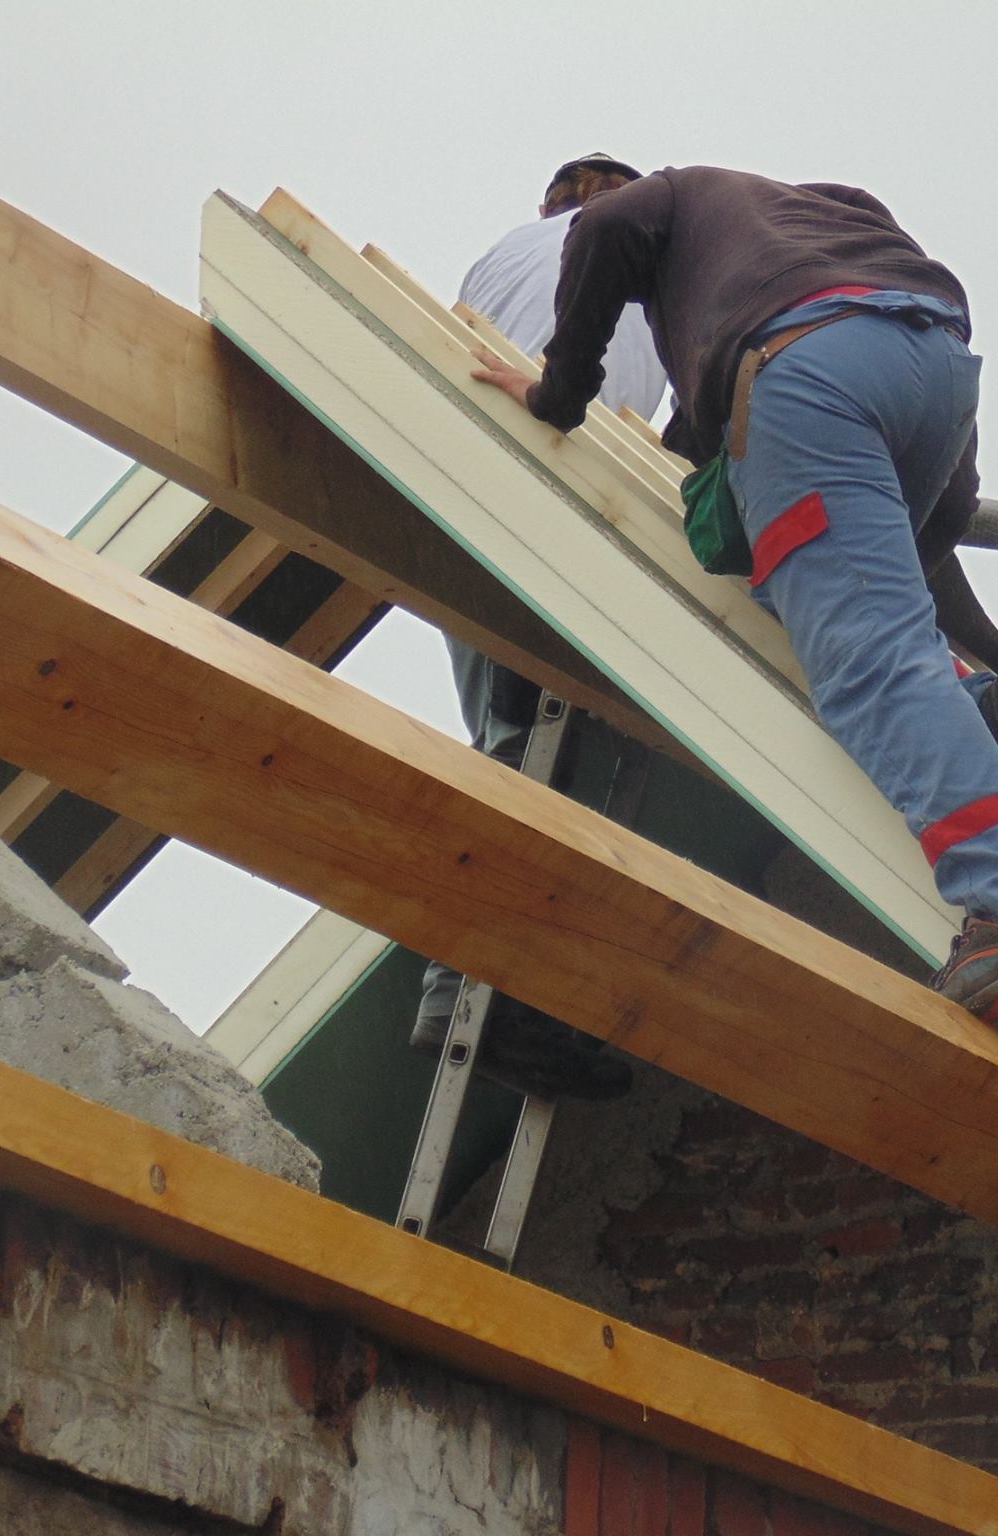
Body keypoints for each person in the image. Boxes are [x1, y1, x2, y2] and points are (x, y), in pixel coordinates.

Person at [470, 166, 998, 1025]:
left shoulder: (675, 197)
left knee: (867, 663)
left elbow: (607, 225)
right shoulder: (812, 220)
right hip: (933, 365)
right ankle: (982, 712)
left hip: (806, 372)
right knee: (811, 591)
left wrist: (557, 395)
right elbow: (943, 507)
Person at [410, 155, 670, 1100]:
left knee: (511, 741)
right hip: (556, 486)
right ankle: (481, 1000)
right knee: (536, 754)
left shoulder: (500, 257)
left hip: (458, 496)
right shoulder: (644, 267)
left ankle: (473, 990)